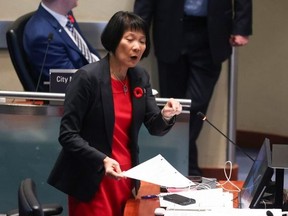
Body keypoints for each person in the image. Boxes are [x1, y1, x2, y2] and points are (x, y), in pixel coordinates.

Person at [47, 11, 182, 216]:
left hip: (126, 177)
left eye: (142, 41)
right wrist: (102, 160)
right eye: (130, 39)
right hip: (94, 178)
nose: (137, 47)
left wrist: (166, 115)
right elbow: (68, 135)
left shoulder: (139, 77)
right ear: (113, 40)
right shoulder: (87, 78)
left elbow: (155, 126)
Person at [134, 0, 252, 176]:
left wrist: (241, 26)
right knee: (172, 106)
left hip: (212, 32)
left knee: (196, 105)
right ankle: (186, 169)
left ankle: (177, 166)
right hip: (170, 28)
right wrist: (138, 32)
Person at [23, 0, 100, 92]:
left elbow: (87, 52)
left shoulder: (64, 14)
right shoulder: (42, 37)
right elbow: (74, 84)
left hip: (94, 76)